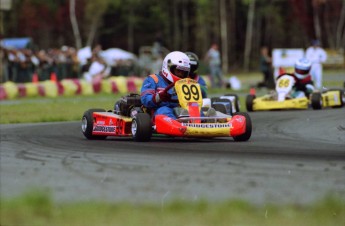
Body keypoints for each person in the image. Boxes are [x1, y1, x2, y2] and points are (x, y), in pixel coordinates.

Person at [140, 51, 191, 120]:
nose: (181, 75)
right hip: (158, 112)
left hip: (180, 111)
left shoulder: (185, 84)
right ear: (168, 67)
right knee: (164, 110)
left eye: (183, 72)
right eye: (178, 71)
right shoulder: (154, 80)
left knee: (196, 110)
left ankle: (205, 125)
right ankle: (176, 126)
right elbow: (145, 99)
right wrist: (159, 97)